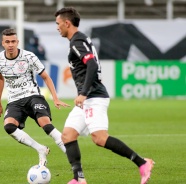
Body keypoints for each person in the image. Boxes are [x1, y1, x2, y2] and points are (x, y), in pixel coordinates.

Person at [54, 7, 154, 184]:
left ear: (67, 23)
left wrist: (84, 93)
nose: (57, 27)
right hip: (88, 98)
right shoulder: (80, 39)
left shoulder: (77, 41)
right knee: (68, 135)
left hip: (93, 97)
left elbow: (91, 64)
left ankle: (142, 163)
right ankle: (79, 179)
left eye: (58, 23)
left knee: (99, 138)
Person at [0, 28, 70, 166]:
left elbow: (46, 77)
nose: (10, 44)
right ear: (3, 43)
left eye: (13, 41)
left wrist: (55, 98)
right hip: (14, 101)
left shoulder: (29, 56)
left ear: (17, 42)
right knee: (9, 127)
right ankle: (40, 149)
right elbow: (0, 78)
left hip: (32, 96)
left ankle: (72, 157)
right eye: (7, 42)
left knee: (46, 125)